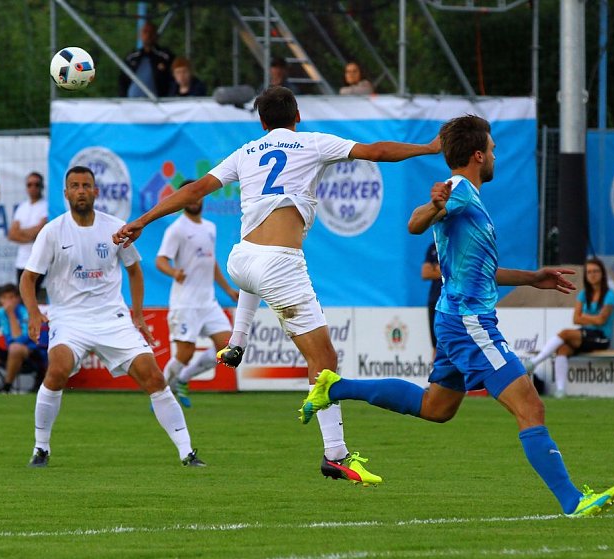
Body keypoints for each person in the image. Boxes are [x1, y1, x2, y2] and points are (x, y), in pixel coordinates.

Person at [299, 114, 614, 517]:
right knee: (531, 407)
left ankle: (335, 387)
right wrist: (434, 207)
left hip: (454, 319)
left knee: (436, 407)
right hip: (470, 323)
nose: (495, 155)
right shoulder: (459, 191)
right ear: (477, 155)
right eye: (492, 149)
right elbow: (415, 223)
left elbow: (478, 269)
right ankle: (573, 501)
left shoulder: (467, 196)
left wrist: (532, 277)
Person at [113, 86, 439, 486]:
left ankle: (238, 340)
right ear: (297, 115)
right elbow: (377, 151)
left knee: (257, 275)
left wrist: (142, 221)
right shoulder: (312, 142)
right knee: (324, 361)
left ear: (262, 121)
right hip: (279, 265)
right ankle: (335, 455)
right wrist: (428, 147)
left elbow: (194, 190)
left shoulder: (246, 151)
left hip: (241, 260)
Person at [20, 166, 205, 469]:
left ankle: (187, 453)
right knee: (57, 370)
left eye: (86, 185)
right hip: (69, 318)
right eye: (75, 186)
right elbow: (28, 279)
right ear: (66, 193)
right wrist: (33, 313)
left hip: (112, 317)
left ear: (96, 191)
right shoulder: (52, 231)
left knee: (154, 377)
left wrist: (138, 315)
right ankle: (41, 448)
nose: (81, 191)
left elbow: (134, 270)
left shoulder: (116, 227)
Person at [156, 181, 239, 407]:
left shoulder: (209, 227)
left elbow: (211, 263)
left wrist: (228, 289)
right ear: (182, 198)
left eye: (197, 195)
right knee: (185, 353)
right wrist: (174, 272)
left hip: (208, 302)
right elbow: (160, 260)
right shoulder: (177, 229)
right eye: (189, 196)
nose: (194, 200)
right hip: (185, 303)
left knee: (230, 347)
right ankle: (159, 395)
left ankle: (183, 378)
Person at [524, 257, 614, 398]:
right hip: (585, 334)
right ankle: (561, 391)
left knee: (565, 333)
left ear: (602, 273)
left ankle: (534, 362)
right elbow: (576, 319)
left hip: (601, 337)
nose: (592, 275)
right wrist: (591, 318)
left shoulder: (610, 295)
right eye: (589, 272)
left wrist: (585, 317)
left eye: (596, 271)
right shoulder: (583, 294)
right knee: (562, 348)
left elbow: (601, 320)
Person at [0, 283, 44, 393]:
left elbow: (20, 339)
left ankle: (7, 386)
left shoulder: (25, 312)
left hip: (30, 354)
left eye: (11, 297)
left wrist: (11, 315)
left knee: (15, 348)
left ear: (18, 299)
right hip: (10, 352)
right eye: (4, 298)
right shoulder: (0, 313)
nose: (8, 301)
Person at [8, 171, 48, 292]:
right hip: (21, 261)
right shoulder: (22, 207)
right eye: (29, 184)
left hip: (39, 261)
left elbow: (40, 231)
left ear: (42, 186)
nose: (33, 187)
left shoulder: (46, 206)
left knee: (32, 295)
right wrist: (32, 235)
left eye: (36, 184)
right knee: (22, 296)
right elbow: (11, 234)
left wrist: (21, 232)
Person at [119, 21, 175, 98]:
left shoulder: (165, 57)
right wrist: (123, 98)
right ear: (140, 36)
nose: (148, 35)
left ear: (156, 35)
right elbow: (122, 80)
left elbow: (173, 80)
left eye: (151, 32)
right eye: (145, 32)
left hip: (157, 101)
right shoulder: (132, 57)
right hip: (132, 101)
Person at [422, 241, 442, 359]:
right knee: (436, 345)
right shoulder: (433, 246)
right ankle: (436, 370)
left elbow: (460, 272)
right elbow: (425, 273)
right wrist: (447, 271)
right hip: (435, 299)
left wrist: (436, 268)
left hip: (454, 301)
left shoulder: (460, 243)